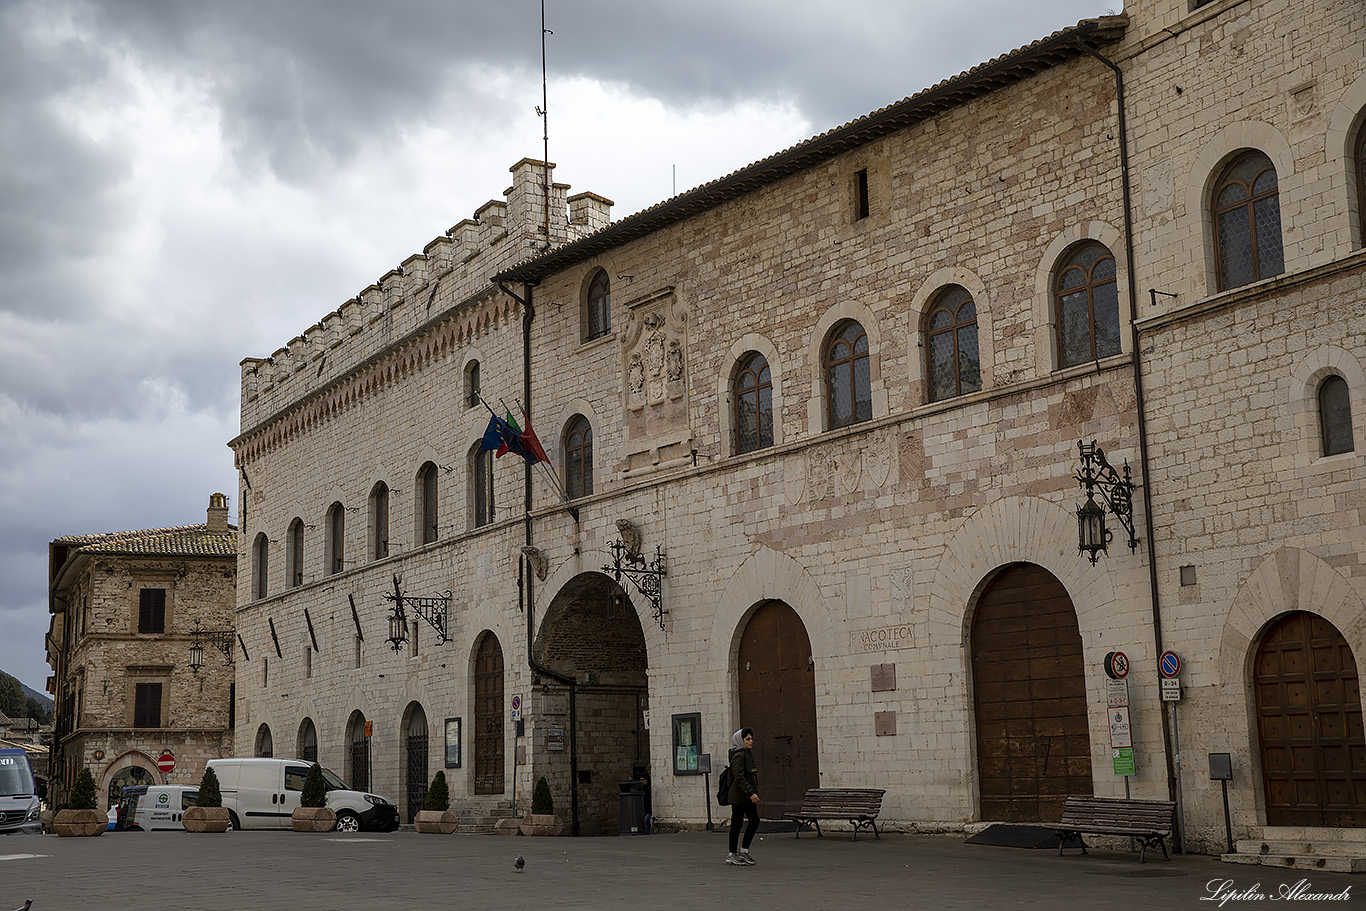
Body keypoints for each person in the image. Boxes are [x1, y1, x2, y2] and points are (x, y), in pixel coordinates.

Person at [725, 728, 760, 865]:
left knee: (754, 820)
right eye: (748, 739)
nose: (751, 741)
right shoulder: (739, 755)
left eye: (751, 738)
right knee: (737, 823)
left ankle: (744, 850)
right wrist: (750, 792)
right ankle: (732, 853)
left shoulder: (748, 754)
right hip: (740, 795)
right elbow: (739, 777)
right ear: (740, 740)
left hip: (746, 795)